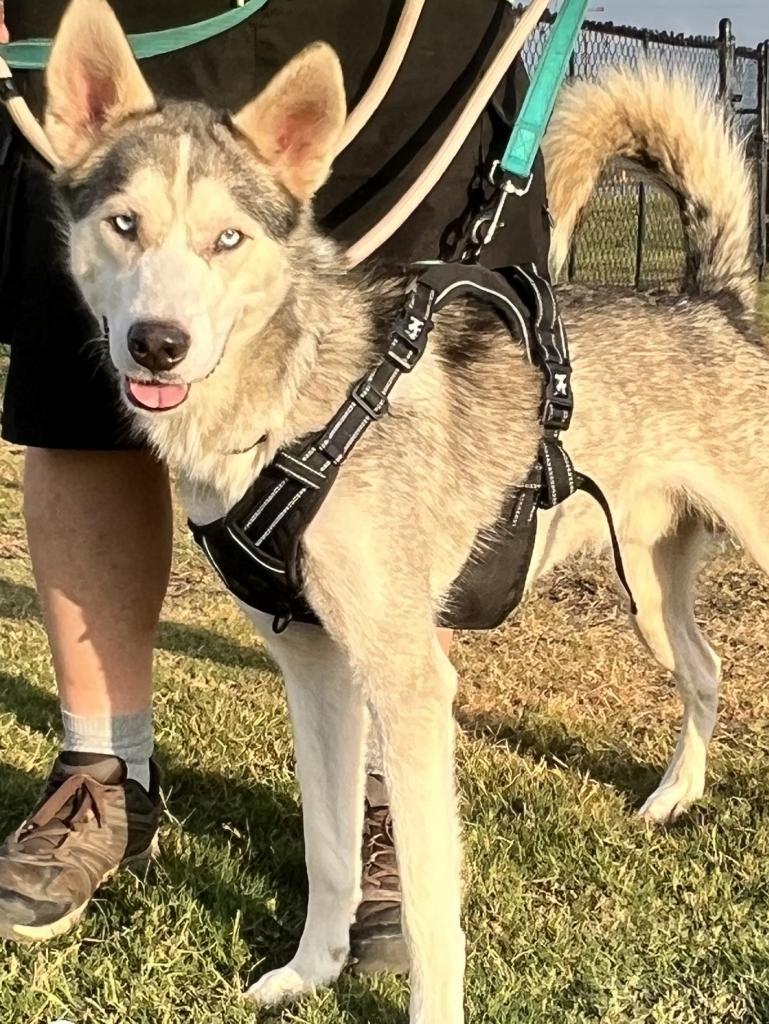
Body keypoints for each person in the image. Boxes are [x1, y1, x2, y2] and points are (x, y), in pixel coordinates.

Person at [0, 0, 549, 967]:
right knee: (75, 394)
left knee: (410, 293)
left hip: (404, 27)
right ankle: (102, 764)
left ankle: (386, 793)